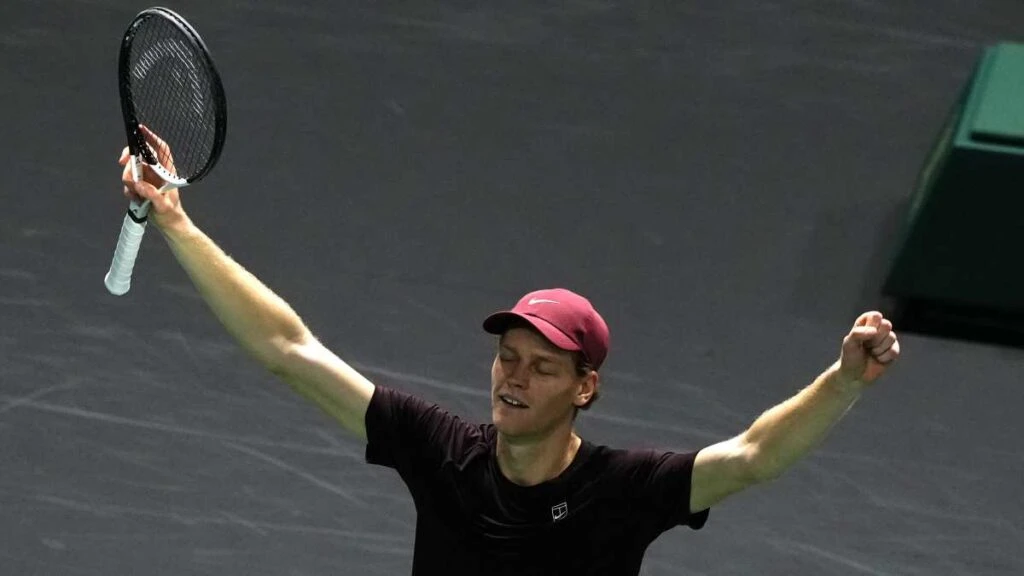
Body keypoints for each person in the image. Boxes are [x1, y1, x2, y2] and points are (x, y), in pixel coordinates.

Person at [117, 131, 901, 575]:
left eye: (542, 365)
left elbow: (756, 457)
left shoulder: (623, 492)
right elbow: (288, 349)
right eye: (508, 356)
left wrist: (844, 379)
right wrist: (179, 226)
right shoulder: (441, 452)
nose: (514, 377)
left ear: (584, 389)